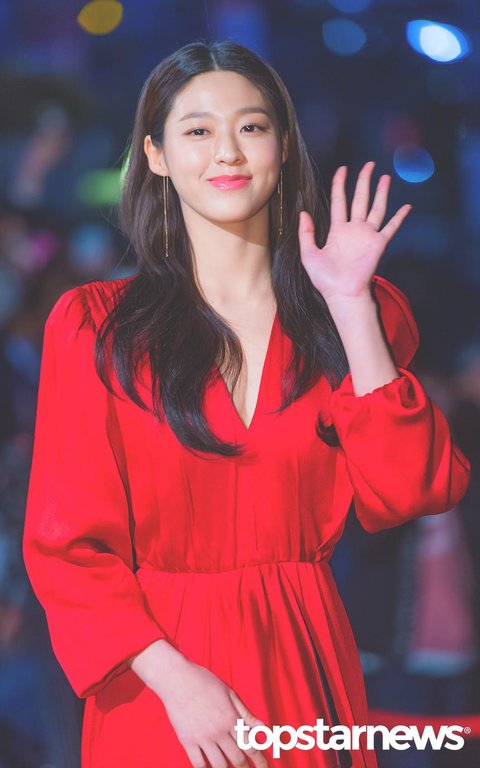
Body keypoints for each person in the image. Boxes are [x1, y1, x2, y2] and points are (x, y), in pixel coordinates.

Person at [22, 40, 471, 768]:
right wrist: (176, 682)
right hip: (157, 680)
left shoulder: (352, 316)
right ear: (157, 155)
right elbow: (66, 548)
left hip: (303, 659)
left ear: (284, 147)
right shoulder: (97, 327)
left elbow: (413, 491)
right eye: (198, 130)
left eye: (252, 127)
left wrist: (350, 304)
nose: (227, 151)